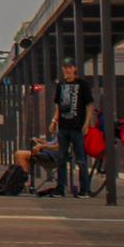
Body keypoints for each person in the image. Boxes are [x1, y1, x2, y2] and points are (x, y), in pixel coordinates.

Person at [49, 58, 95, 197]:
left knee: (81, 159)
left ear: (75, 69)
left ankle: (84, 189)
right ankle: (60, 187)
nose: (67, 70)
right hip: (63, 127)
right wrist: (54, 120)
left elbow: (89, 105)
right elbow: (58, 105)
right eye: (65, 67)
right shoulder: (61, 84)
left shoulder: (82, 84)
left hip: (78, 127)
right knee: (61, 158)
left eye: (69, 67)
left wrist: (87, 123)